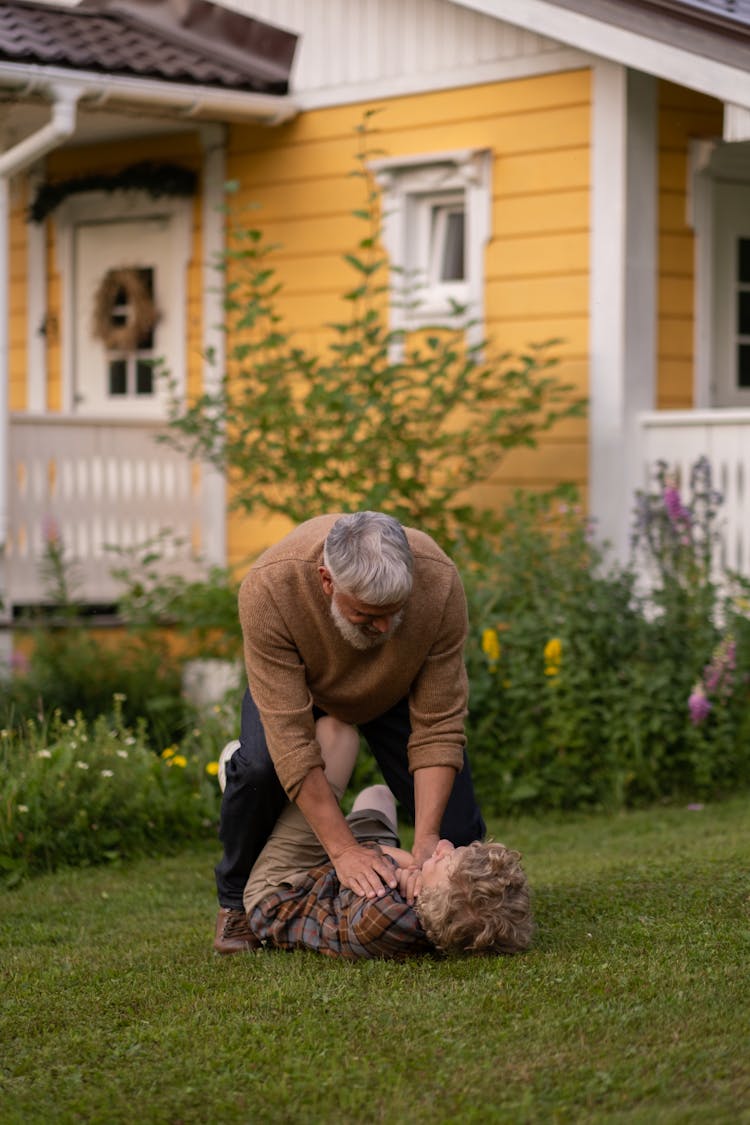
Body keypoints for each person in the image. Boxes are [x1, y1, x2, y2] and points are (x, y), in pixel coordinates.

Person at [214, 511, 486, 954]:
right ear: (327, 581)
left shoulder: (438, 580)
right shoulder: (269, 588)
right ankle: (232, 905)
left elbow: (439, 724)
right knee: (262, 769)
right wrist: (343, 853)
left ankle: (381, 842)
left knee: (456, 833)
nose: (382, 628)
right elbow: (291, 743)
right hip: (302, 685)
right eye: (366, 614)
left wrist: (426, 844)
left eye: (393, 613)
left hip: (396, 687)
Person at [229, 716, 533, 960]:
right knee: (379, 795)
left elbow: (357, 859)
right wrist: (413, 870)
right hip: (338, 878)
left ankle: (250, 793)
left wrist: (408, 867)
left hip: (283, 890)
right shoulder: (439, 918)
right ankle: (298, 815)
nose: (444, 845)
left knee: (337, 734)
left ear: (432, 897)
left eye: (445, 859)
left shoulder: (381, 915)